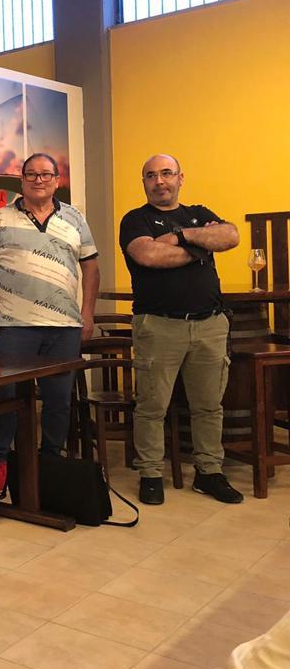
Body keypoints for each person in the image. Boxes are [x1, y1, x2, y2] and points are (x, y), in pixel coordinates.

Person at [119, 153, 242, 505]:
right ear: (144, 182)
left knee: (209, 406)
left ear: (180, 178)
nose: (159, 181)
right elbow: (149, 256)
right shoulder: (135, 219)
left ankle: (209, 472)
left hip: (210, 325)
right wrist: (201, 247)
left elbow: (230, 235)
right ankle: (150, 474)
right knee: (151, 406)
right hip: (159, 326)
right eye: (151, 175)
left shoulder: (198, 213)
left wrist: (180, 235)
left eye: (166, 173)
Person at [0, 153, 100, 494]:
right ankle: (1, 462)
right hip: (14, 327)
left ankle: (49, 462)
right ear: (22, 181)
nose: (38, 180)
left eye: (46, 174)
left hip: (64, 328)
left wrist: (87, 313)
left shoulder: (75, 218)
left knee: (58, 401)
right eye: (31, 174)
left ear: (57, 180)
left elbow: (91, 268)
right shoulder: (0, 219)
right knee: (7, 397)